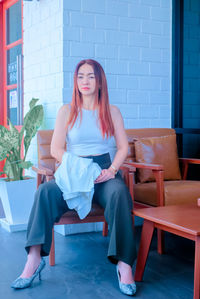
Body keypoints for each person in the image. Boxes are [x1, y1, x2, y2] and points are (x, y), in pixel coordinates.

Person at [11, 59, 137, 296]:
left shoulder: (112, 111)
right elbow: (56, 150)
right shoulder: (66, 111)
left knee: (119, 193)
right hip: (74, 168)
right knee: (45, 192)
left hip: (102, 170)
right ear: (75, 81)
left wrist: (111, 171)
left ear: (100, 81)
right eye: (81, 76)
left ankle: (124, 264)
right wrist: (78, 166)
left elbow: (122, 148)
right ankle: (34, 259)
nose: (85, 81)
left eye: (91, 76)